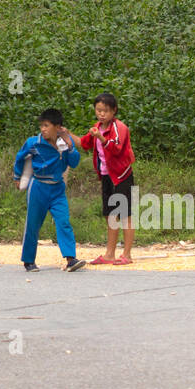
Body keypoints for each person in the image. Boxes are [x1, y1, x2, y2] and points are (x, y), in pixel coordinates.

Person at [12, 109, 84, 272]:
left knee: (63, 221)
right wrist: (17, 177)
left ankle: (71, 259)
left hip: (57, 189)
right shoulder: (33, 142)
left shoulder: (64, 145)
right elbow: (20, 158)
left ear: (58, 127)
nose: (43, 129)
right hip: (38, 187)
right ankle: (29, 261)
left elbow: (74, 163)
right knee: (33, 224)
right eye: (41, 126)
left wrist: (71, 145)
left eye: (46, 125)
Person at [74, 93, 136, 265]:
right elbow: (83, 143)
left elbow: (116, 148)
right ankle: (109, 254)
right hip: (107, 175)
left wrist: (101, 137)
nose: (102, 114)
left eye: (105, 111)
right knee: (111, 215)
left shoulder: (119, 127)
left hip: (122, 175)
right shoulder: (97, 127)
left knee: (125, 215)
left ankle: (127, 255)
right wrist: (64, 133)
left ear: (113, 111)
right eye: (99, 110)